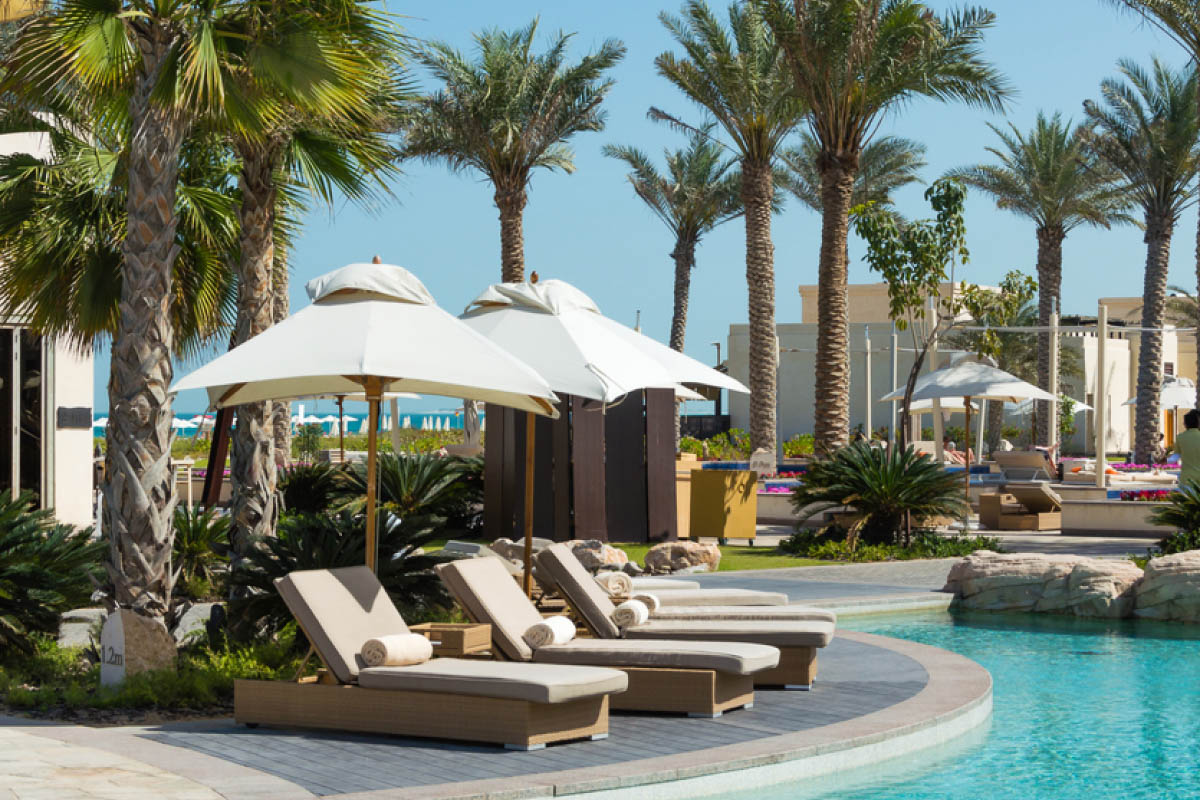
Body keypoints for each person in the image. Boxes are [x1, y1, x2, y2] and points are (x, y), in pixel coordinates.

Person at [1175, 410, 1200, 488]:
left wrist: (1162, 460)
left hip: (1186, 479)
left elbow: (1174, 458)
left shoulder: (1180, 437)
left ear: (1185, 424)